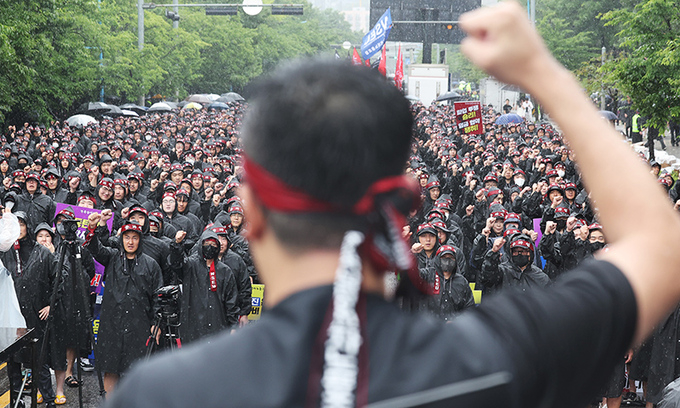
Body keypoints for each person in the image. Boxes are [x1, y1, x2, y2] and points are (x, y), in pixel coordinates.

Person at [105, 2, 680, 407]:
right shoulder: (487, 362)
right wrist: (543, 75)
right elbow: (661, 250)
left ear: (250, 212)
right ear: (400, 204)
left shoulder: (164, 394)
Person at [84, 211, 163, 393]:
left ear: (140, 240)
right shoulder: (112, 257)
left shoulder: (151, 264)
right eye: (127, 237)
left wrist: (155, 324)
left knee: (138, 372)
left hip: (140, 325)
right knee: (111, 369)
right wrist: (93, 227)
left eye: (135, 238)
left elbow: (158, 296)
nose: (130, 242)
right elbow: (95, 248)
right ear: (122, 239)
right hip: (112, 324)